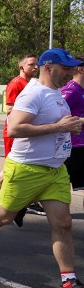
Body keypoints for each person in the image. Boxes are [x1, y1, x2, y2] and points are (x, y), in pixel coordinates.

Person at [0, 48, 84, 288]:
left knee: (63, 224)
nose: (70, 72)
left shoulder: (57, 92)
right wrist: (59, 126)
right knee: (3, 217)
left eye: (72, 67)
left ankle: (69, 281)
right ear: (48, 67)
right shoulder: (33, 93)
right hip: (26, 168)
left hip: (55, 170)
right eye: (66, 67)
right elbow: (14, 128)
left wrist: (69, 128)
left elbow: (55, 126)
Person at [0, 54, 39, 210]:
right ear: (22, 67)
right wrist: (35, 112)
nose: (35, 67)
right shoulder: (16, 84)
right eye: (32, 64)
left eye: (37, 64)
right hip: (14, 132)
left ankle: (29, 201)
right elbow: (9, 109)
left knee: (27, 166)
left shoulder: (33, 83)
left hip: (26, 131)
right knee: (12, 166)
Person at [61, 54, 84, 203]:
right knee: (51, 185)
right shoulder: (70, 91)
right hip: (71, 148)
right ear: (81, 69)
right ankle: (19, 207)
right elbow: (56, 117)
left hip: (81, 147)